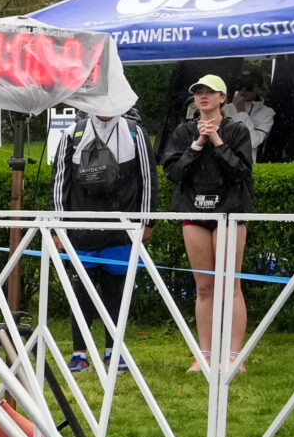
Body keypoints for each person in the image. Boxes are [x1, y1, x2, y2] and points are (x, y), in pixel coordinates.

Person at [50, 104, 154, 373]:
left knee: (115, 292)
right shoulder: (73, 134)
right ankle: (79, 353)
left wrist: (145, 222)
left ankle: (113, 350)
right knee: (80, 294)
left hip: (121, 231)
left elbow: (148, 179)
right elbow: (60, 181)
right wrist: (59, 226)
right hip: (81, 231)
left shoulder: (135, 134)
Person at [163, 74, 256, 374]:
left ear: (223, 98)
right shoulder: (183, 131)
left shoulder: (238, 130)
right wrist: (197, 144)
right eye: (198, 92)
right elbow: (173, 172)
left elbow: (241, 172)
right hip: (194, 213)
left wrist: (217, 140)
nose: (203, 96)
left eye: (210, 92)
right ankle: (203, 354)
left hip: (230, 212)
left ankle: (232, 355)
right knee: (204, 286)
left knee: (230, 284)